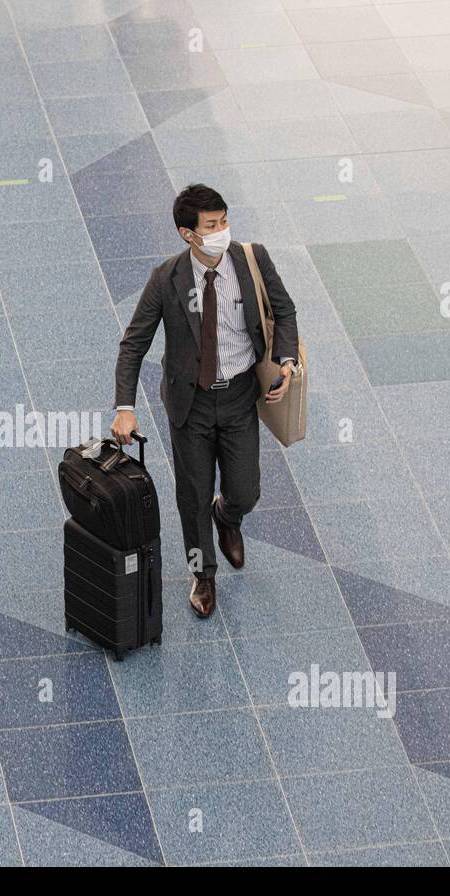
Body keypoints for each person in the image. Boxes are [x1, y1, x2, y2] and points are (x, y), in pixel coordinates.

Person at [111, 184, 299, 618]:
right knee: (192, 498)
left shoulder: (253, 261)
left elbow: (284, 311)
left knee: (246, 490)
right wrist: (125, 406)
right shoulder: (166, 279)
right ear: (187, 233)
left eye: (224, 221)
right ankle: (203, 575)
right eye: (211, 226)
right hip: (189, 406)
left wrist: (285, 361)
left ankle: (228, 516)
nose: (222, 232)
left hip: (238, 398)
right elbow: (133, 344)